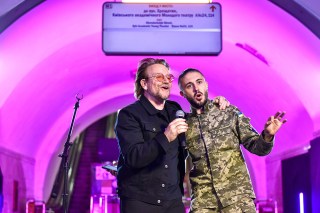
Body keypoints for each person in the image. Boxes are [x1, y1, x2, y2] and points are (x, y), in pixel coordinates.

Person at [114, 58, 228, 213]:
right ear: (144, 83)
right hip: (141, 202)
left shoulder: (175, 110)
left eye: (169, 77)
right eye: (159, 77)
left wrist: (214, 105)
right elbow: (134, 157)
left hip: (173, 201)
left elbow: (200, 125)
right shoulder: (129, 115)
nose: (166, 81)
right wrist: (166, 136)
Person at [178, 68, 287, 213]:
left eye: (199, 82)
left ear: (206, 84)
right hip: (203, 204)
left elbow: (258, 148)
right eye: (189, 85)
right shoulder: (184, 125)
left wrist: (267, 135)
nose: (196, 88)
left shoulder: (229, 112)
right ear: (183, 93)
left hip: (237, 199)